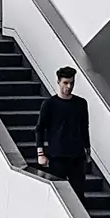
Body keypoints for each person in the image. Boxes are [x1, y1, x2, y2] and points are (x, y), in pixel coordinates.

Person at [34, 66, 90, 198]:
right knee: (59, 194)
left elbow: (84, 127)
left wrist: (87, 150)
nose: (69, 86)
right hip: (57, 156)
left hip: (77, 155)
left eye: (71, 83)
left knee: (79, 193)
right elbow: (40, 128)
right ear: (58, 82)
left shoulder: (81, 103)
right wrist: (40, 153)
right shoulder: (49, 104)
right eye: (65, 83)